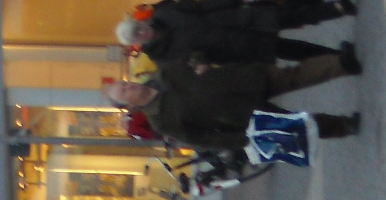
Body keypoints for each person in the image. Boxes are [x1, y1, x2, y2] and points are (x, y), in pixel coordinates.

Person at [104, 49, 362, 149]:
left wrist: (200, 61)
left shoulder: (164, 74)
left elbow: (192, 54)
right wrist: (241, 140)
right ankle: (343, 126)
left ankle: (341, 64)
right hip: (240, 116)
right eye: (124, 92)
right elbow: (202, 138)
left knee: (294, 75)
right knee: (293, 126)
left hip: (241, 81)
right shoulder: (161, 121)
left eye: (125, 84)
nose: (129, 87)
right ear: (129, 106)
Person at [125, 0, 356, 65]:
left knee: (288, 16)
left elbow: (201, 6)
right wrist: (199, 61)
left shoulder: (164, 12)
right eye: (137, 35)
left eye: (138, 27)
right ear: (138, 43)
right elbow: (194, 62)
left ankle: (338, 8)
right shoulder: (162, 56)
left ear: (140, 21)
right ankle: (337, 59)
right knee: (291, 49)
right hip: (235, 47)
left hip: (236, 18)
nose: (142, 31)